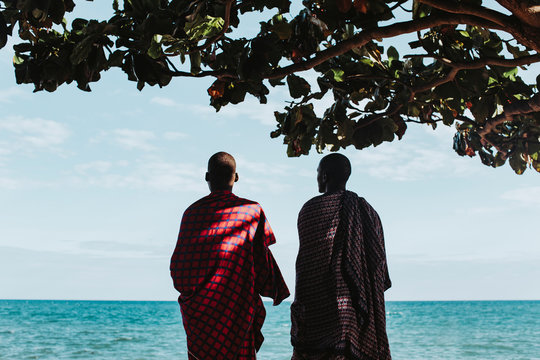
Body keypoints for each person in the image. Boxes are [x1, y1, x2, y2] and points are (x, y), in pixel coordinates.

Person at [170, 151, 290, 360]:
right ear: (236, 177)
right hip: (238, 311)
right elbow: (262, 259)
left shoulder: (192, 213)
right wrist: (273, 287)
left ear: (207, 177)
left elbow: (179, 271)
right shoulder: (251, 211)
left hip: (201, 317)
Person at [291, 153, 392, 360]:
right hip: (353, 306)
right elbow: (378, 262)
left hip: (316, 308)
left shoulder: (310, 209)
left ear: (325, 176)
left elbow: (307, 265)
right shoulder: (369, 212)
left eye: (318, 173)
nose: (317, 178)